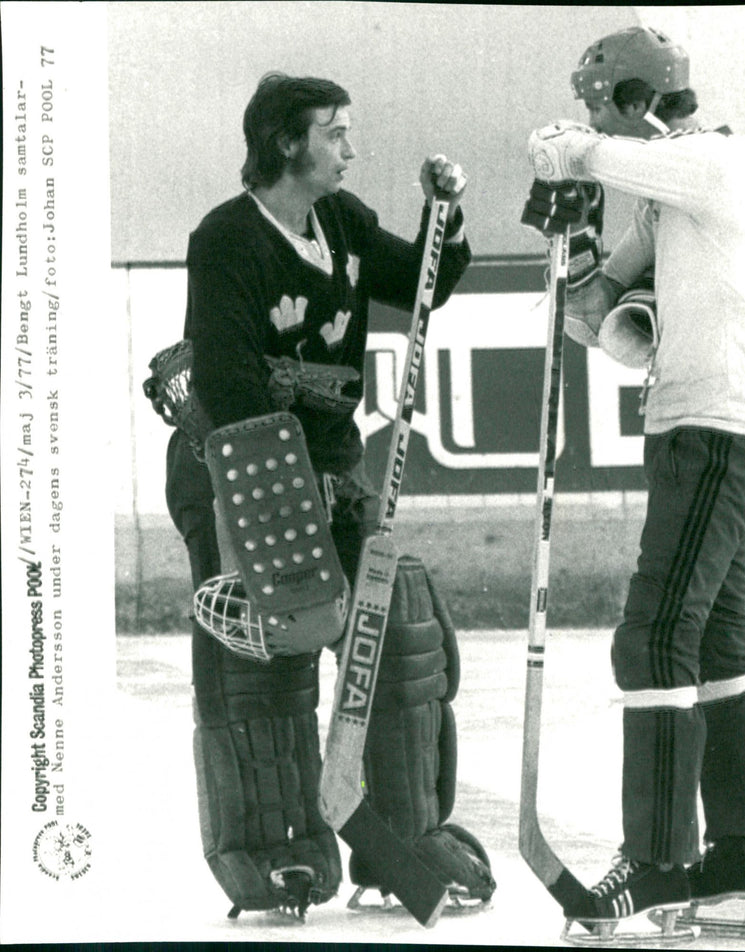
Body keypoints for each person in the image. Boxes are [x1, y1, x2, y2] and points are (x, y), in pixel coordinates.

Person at [162, 72, 495, 919]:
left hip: (332, 477)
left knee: (397, 625)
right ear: (286, 143)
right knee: (266, 655)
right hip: (243, 471)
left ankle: (404, 838)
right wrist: (290, 488)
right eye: (335, 132)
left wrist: (443, 217)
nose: (350, 148)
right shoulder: (227, 239)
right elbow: (231, 380)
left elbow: (425, 279)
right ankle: (278, 853)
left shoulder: (339, 222)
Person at [523, 26, 745, 935]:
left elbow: (600, 153)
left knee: (650, 641)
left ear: (638, 99)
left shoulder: (719, 163)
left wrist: (570, 149)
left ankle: (662, 865)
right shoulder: (667, 199)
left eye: (604, 103)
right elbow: (597, 315)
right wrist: (575, 261)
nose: (597, 121)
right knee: (712, 644)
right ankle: (741, 861)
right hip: (688, 432)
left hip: (718, 432)